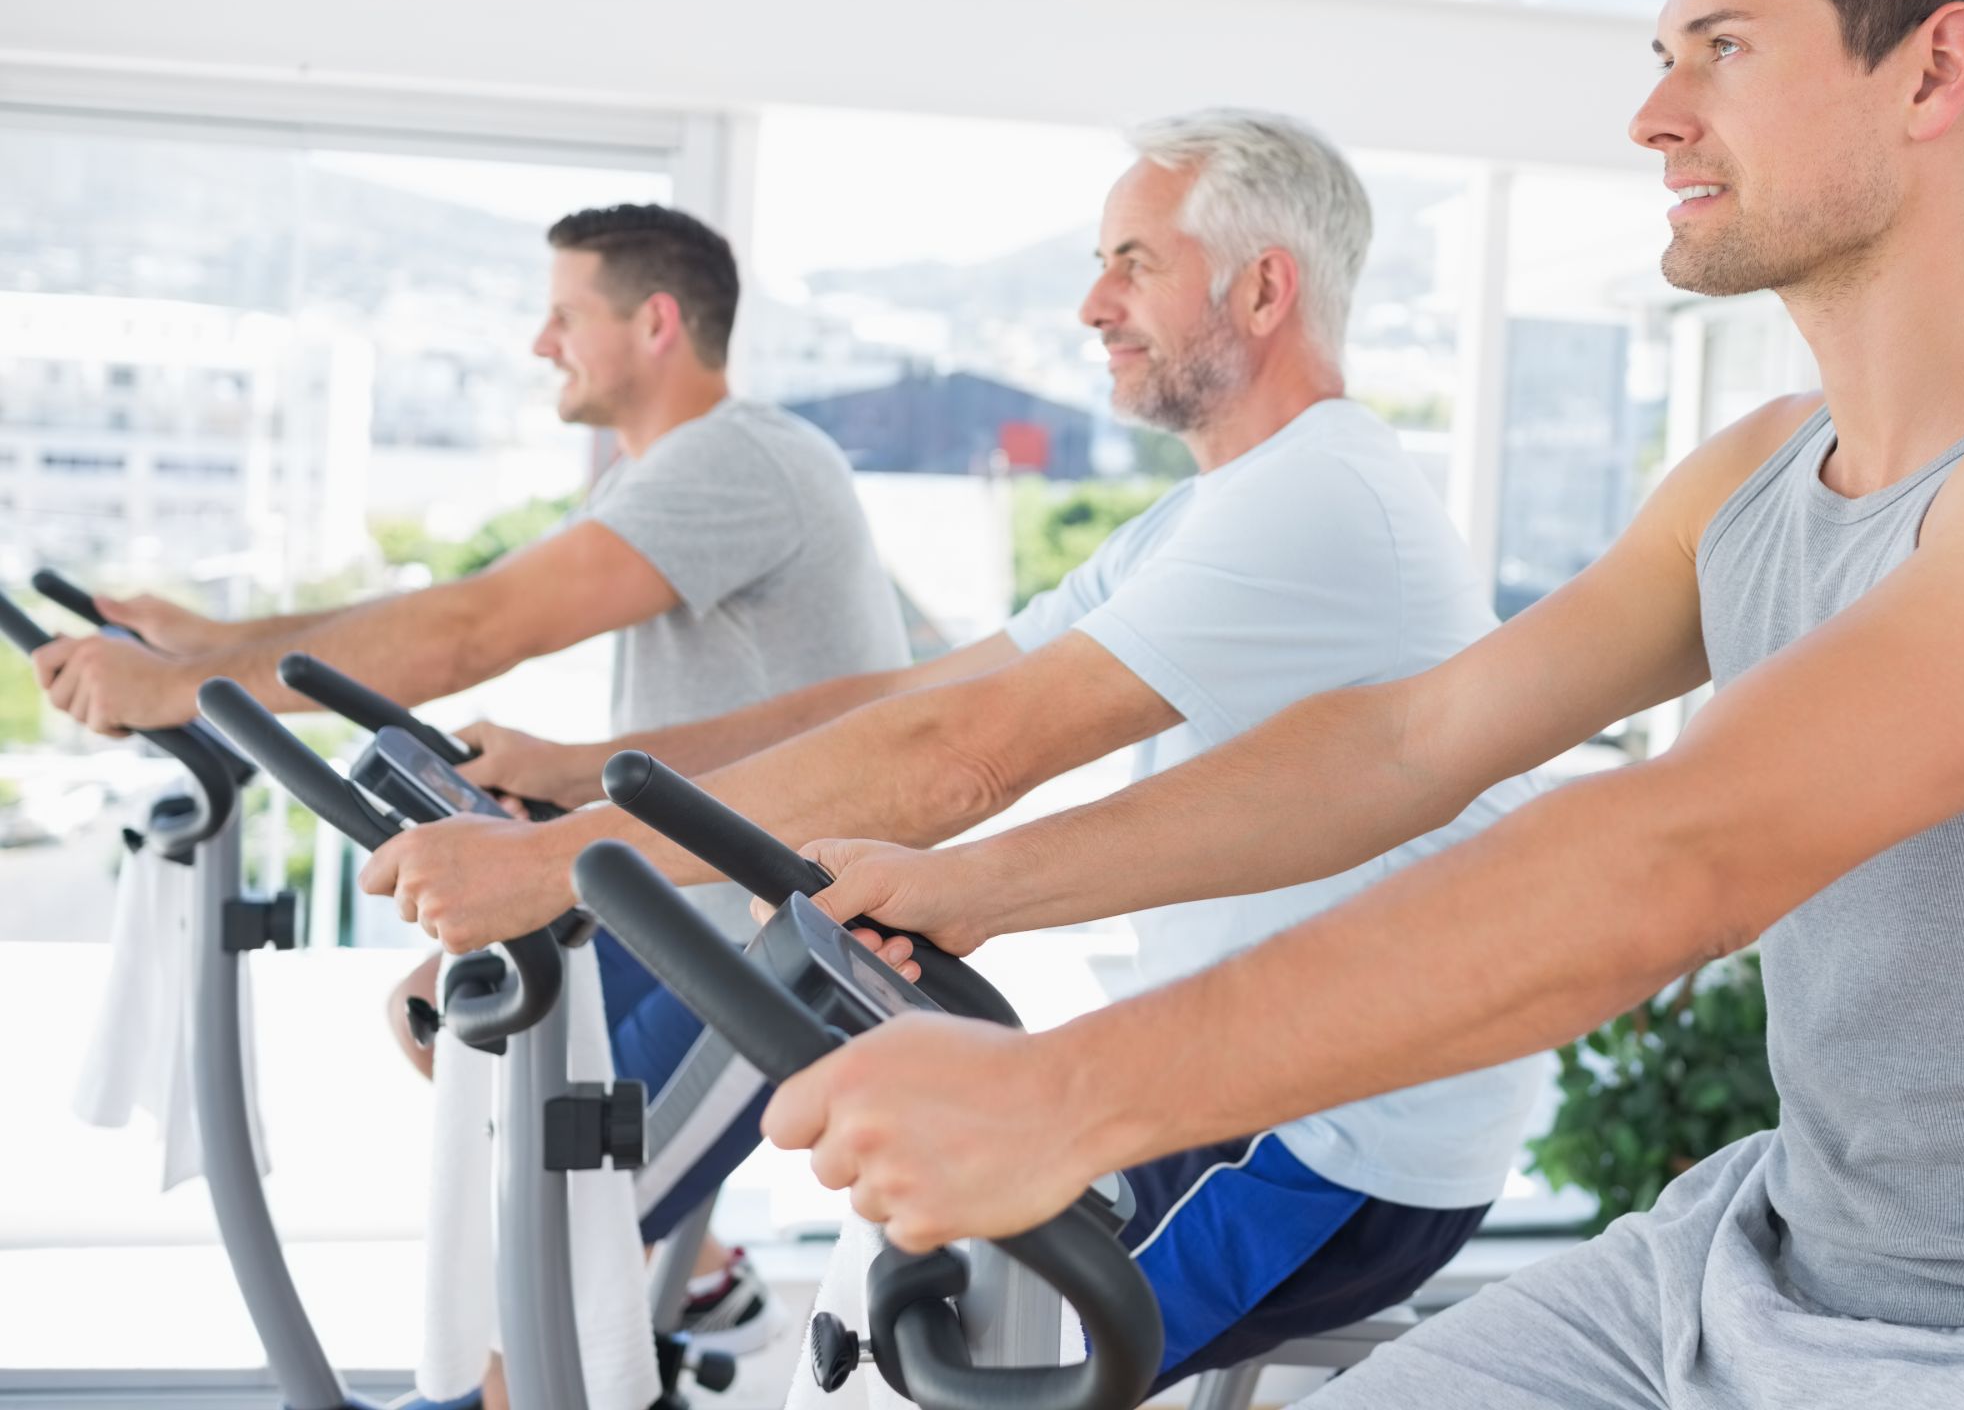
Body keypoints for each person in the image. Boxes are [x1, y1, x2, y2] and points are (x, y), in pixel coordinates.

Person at [698, 0, 1964, 1406]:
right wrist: (969, 889)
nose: (1655, 117)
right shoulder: (1757, 478)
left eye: (1721, 48)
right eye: (1661, 58)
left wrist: (1066, 1099)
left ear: (1937, 67)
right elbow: (1418, 739)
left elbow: (1684, 853)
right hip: (1767, 1247)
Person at [359, 110, 1551, 1391]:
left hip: (1325, 1141)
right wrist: (581, 774)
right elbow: (920, 691)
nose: (1093, 302)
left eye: (1134, 262)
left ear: (1264, 286)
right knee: (898, 1285)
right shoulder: (1212, 508)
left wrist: (551, 867)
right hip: (1217, 1078)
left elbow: (961, 757)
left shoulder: (1319, 497)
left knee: (935, 1356)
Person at [36, 202, 910, 1350]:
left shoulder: (737, 458)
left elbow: (474, 628)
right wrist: (208, 646)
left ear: (655, 322)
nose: (538, 342)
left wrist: (186, 687)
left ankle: (632, 1300)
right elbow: (452, 614)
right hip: (679, 894)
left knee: (543, 1224)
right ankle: (696, 1279)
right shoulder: (681, 468)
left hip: (772, 932)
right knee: (436, 1013)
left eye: (562, 315)